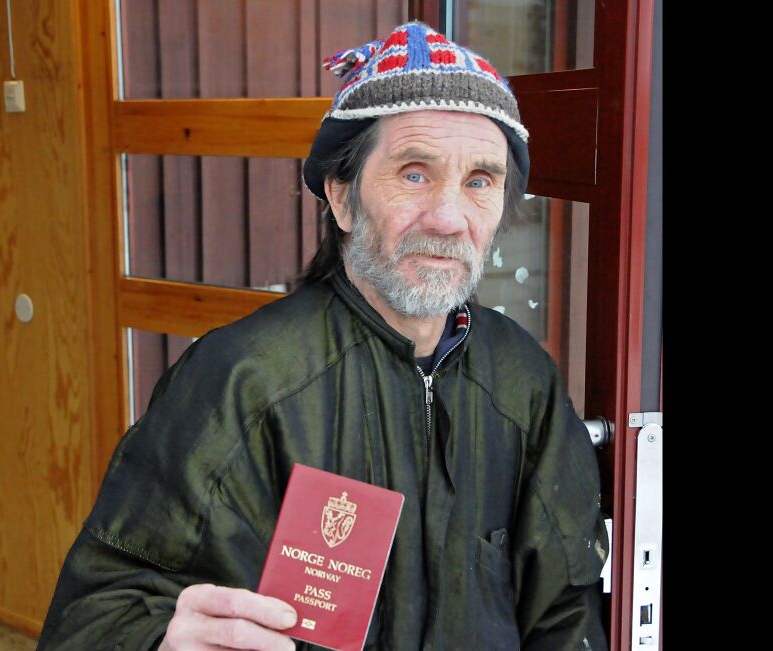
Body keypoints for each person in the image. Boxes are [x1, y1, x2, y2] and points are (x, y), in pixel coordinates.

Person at [37, 20, 608, 651]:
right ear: (340, 198)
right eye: (414, 173)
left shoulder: (523, 381)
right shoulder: (242, 380)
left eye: (480, 181)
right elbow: (94, 616)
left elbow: (564, 612)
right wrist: (158, 641)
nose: (449, 218)